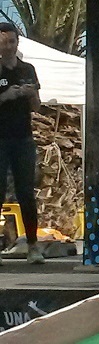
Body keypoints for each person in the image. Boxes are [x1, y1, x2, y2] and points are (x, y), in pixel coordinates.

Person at [0, 23, 44, 264]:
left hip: (23, 138)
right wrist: (5, 96)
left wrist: (30, 94)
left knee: (26, 192)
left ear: (17, 43)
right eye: (3, 42)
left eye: (11, 42)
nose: (7, 47)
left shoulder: (28, 69)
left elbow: (37, 107)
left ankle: (33, 246)